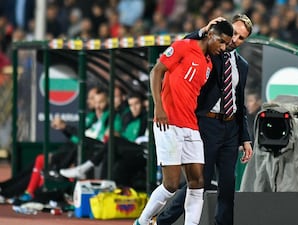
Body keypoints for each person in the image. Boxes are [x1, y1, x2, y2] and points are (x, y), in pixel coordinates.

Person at [133, 20, 233, 225]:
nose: (223, 48)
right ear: (210, 34)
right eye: (221, 42)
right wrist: (158, 107)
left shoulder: (208, 64)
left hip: (191, 126)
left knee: (198, 183)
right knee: (170, 185)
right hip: (168, 122)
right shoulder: (183, 47)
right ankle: (142, 222)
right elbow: (156, 71)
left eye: (226, 45)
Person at [156, 14, 253, 225]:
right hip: (207, 124)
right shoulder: (212, 51)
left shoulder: (242, 66)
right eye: (234, 33)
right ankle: (162, 221)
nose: (235, 40)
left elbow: (240, 102)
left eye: (241, 37)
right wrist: (202, 30)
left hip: (231, 129)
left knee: (227, 187)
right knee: (199, 182)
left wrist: (245, 138)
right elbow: (185, 44)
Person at [59, 92, 148, 188]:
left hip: (142, 150)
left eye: (137, 104)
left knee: (112, 142)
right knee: (102, 147)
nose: (134, 108)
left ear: (143, 104)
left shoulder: (146, 118)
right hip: (124, 147)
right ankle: (101, 187)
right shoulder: (128, 118)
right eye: (131, 105)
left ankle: (84, 169)